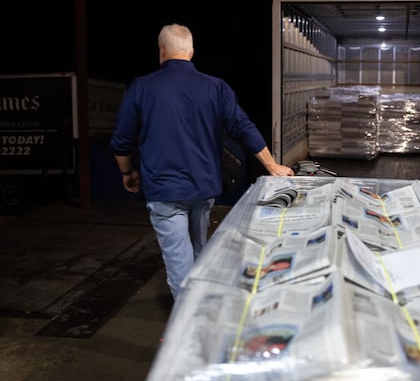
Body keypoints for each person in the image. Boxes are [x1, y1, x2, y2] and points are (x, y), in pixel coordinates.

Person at [110, 23, 294, 300]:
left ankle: (191, 326)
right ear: (191, 51)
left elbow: (121, 140)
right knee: (199, 248)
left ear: (161, 51)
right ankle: (205, 307)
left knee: (179, 262)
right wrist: (272, 166)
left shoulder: (142, 87)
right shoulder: (215, 87)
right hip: (204, 188)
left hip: (165, 191)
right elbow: (243, 127)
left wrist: (127, 172)